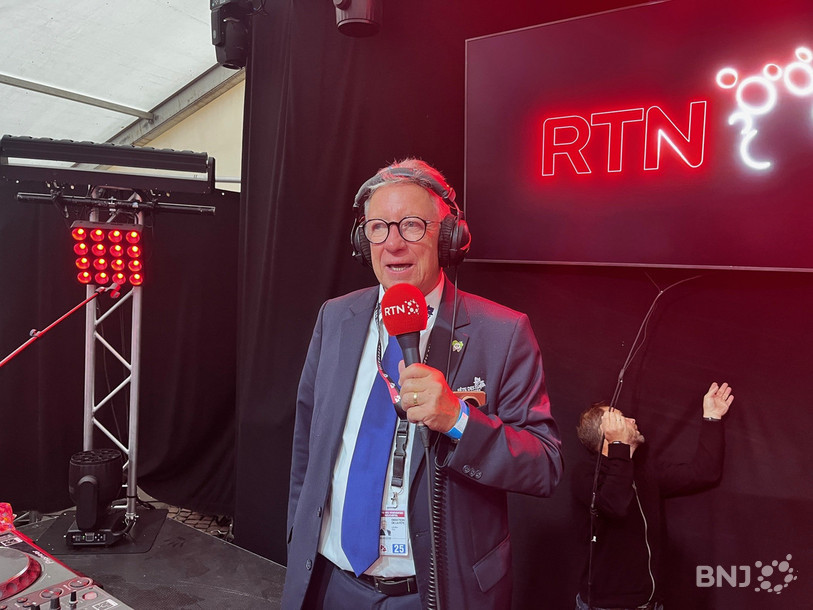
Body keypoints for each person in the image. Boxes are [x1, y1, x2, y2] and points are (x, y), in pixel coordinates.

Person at [281, 158, 563, 609]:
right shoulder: (336, 317)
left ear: (448, 236)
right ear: (362, 239)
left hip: (434, 594)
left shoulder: (502, 332)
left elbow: (544, 465)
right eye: (378, 227)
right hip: (329, 585)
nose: (393, 244)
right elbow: (307, 449)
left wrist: (458, 420)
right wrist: (298, 539)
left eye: (411, 225)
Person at [572, 382, 734, 610]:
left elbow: (704, 473)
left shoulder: (646, 472)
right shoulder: (585, 474)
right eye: (621, 418)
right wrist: (619, 444)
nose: (633, 421)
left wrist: (712, 417)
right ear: (605, 432)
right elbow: (615, 504)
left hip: (651, 605)